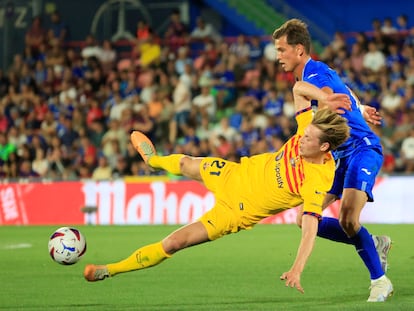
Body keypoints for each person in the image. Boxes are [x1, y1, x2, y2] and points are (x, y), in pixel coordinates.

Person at [84, 82, 351, 294]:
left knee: (175, 242)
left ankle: (109, 270)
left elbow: (309, 229)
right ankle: (154, 161)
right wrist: (324, 100)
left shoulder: (318, 178)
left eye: (309, 139)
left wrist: (297, 268)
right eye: (304, 134)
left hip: (235, 212)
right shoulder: (308, 129)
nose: (302, 138)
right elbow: (298, 89)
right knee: (188, 162)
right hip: (232, 174)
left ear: (324, 147)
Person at [272, 19, 393, 302]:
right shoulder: (319, 71)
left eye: (281, 50)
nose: (278, 57)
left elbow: (328, 96)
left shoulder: (312, 78)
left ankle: (380, 281)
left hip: (361, 149)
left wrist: (334, 105)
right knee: (304, 217)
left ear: (299, 50)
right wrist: (359, 107)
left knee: (348, 219)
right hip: (336, 156)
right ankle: (374, 244)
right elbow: (343, 91)